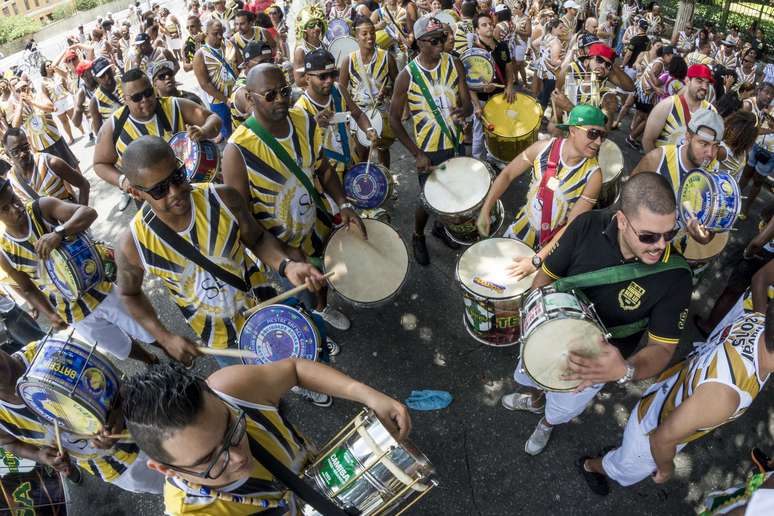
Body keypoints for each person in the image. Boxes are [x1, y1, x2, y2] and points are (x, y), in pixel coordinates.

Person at [501, 172, 692, 455]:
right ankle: (535, 398)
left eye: (670, 233)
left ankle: (547, 422)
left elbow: (662, 349)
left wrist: (624, 370)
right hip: (549, 336)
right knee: (535, 376)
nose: (661, 246)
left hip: (594, 367)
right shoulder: (587, 225)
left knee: (562, 408)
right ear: (622, 220)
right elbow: (546, 277)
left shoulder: (675, 276)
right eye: (649, 236)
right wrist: (532, 319)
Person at [116, 136, 324, 368]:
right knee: (250, 390)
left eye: (177, 176)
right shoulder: (132, 244)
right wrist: (165, 338)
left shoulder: (223, 198)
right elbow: (128, 294)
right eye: (160, 189)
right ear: (135, 193)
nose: (175, 191)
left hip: (263, 307)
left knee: (289, 363)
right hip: (218, 340)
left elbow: (258, 239)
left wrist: (287, 265)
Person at [122, 359, 410, 514]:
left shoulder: (231, 390)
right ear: (164, 469)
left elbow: (295, 370)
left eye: (232, 430)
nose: (237, 457)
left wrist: (368, 395)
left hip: (328, 475)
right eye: (210, 461)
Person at [579, 301, 774, 496]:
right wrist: (666, 468)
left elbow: (760, 278)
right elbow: (661, 440)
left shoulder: (758, 319)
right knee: (625, 469)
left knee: (627, 455)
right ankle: (591, 466)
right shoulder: (726, 396)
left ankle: (619, 456)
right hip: (650, 435)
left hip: (666, 395)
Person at [222, 64, 361, 331]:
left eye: (284, 91)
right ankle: (312, 325)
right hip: (281, 245)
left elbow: (323, 169)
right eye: (270, 94)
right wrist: (284, 256)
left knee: (322, 279)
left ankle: (322, 307)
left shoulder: (304, 120)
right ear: (250, 98)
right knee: (303, 295)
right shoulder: (237, 151)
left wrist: (344, 204)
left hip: (316, 225)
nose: (281, 99)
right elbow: (243, 220)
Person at [0, 183, 158, 363]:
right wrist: (51, 314)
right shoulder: (5, 253)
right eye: (5, 209)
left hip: (102, 287)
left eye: (14, 199)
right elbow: (28, 289)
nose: (15, 208)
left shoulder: (41, 208)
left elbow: (89, 213)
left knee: (148, 328)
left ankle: (177, 354)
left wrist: (59, 233)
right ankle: (151, 361)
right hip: (73, 312)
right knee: (118, 346)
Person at [0, 341, 165, 493]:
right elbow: (10, 443)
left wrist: (118, 412)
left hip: (149, 426)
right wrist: (41, 456)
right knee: (172, 492)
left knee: (189, 467)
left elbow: (120, 382)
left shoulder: (48, 352)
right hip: (116, 467)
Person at [478, 104, 604, 274]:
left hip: (551, 249)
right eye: (593, 133)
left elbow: (571, 227)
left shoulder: (593, 176)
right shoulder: (542, 148)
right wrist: (486, 209)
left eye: (602, 135)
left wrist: (536, 260)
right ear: (573, 130)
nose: (598, 142)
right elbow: (507, 174)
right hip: (518, 232)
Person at [389, 15, 472, 265]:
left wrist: (463, 111)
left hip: (455, 143)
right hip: (429, 149)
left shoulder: (453, 63)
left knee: (453, 190)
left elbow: (467, 101)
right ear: (420, 42)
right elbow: (393, 119)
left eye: (443, 37)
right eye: (435, 40)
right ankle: (417, 235)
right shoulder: (407, 76)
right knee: (427, 198)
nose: (441, 43)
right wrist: (417, 154)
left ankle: (440, 228)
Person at [92, 68, 221, 212]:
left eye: (148, 93)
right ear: (126, 99)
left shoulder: (174, 105)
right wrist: (122, 181)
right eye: (136, 97)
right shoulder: (114, 126)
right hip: (152, 204)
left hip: (188, 186)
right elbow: (99, 164)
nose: (145, 100)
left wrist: (204, 131)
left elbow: (214, 119)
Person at [632, 108, 725, 254]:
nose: (711, 154)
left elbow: (709, 230)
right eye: (704, 144)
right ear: (688, 137)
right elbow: (629, 195)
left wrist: (704, 236)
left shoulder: (715, 174)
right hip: (640, 237)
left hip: (672, 245)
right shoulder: (658, 159)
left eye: (715, 146)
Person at [294, 49, 378, 182]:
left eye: (333, 74)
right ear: (307, 78)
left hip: (351, 163)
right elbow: (298, 148)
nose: (329, 80)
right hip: (327, 175)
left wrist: (368, 129)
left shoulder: (338, 90)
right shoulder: (300, 108)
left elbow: (358, 114)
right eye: (322, 76)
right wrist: (313, 125)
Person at [339, 17, 399, 167]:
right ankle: (365, 186)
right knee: (362, 152)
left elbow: (398, 86)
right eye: (364, 34)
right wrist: (347, 115)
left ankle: (386, 180)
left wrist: (388, 90)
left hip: (381, 112)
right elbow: (341, 90)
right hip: (358, 113)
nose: (369, 37)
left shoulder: (386, 57)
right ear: (356, 36)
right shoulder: (349, 60)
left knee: (383, 149)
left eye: (372, 32)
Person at [552, 42, 634, 133]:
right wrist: (558, 121)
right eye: (599, 60)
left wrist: (612, 65)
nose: (603, 66)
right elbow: (556, 97)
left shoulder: (608, 93)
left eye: (607, 65)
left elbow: (603, 132)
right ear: (587, 61)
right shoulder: (570, 72)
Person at [469, 11, 517, 160]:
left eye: (490, 23)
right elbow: (468, 83)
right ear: (477, 30)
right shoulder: (472, 51)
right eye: (484, 25)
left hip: (500, 98)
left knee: (500, 130)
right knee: (478, 134)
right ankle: (479, 164)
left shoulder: (502, 46)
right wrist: (476, 105)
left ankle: (495, 158)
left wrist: (509, 86)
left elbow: (509, 68)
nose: (489, 27)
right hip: (482, 101)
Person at [8, 80, 80, 174]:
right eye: (18, 90)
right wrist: (21, 104)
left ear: (29, 86)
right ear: (15, 93)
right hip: (41, 147)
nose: (22, 91)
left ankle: (84, 184)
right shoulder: (18, 107)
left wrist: (31, 102)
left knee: (72, 163)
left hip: (55, 139)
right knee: (57, 172)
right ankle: (69, 189)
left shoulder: (39, 96)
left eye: (24, 87)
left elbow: (51, 108)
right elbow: (15, 125)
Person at [3, 128, 89, 205]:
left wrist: (81, 215)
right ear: (7, 154)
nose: (22, 154)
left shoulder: (51, 163)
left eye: (25, 147)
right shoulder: (12, 179)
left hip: (69, 218)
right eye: (15, 152)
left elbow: (84, 184)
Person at [641, 64, 716, 152]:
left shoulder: (711, 112)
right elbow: (647, 140)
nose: (704, 87)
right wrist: (658, 164)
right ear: (687, 80)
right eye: (699, 81)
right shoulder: (668, 105)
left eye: (707, 83)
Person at [194, 20, 239, 143]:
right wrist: (226, 100)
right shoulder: (200, 54)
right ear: (206, 33)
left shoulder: (228, 45)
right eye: (215, 33)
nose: (219, 36)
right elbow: (205, 84)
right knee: (229, 135)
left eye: (221, 33)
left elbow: (240, 65)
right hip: (219, 101)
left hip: (236, 94)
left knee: (242, 127)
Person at [738, 82, 774, 220]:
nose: (769, 96)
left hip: (771, 153)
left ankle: (746, 208)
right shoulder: (767, 106)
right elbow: (756, 125)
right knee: (746, 175)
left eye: (771, 94)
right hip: (756, 145)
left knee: (758, 181)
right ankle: (733, 199)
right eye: (767, 93)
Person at [230, 41, 274, 128]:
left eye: (270, 61)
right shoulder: (242, 90)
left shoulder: (262, 78)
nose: (268, 66)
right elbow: (261, 118)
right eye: (262, 63)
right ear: (246, 64)